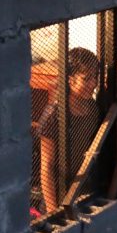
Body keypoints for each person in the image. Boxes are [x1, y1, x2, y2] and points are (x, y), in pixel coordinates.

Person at [33, 47, 100, 215]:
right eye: (86, 78)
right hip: (59, 198)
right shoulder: (53, 116)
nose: (93, 84)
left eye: (95, 77)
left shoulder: (93, 108)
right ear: (70, 80)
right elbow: (46, 167)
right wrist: (53, 212)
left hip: (84, 194)